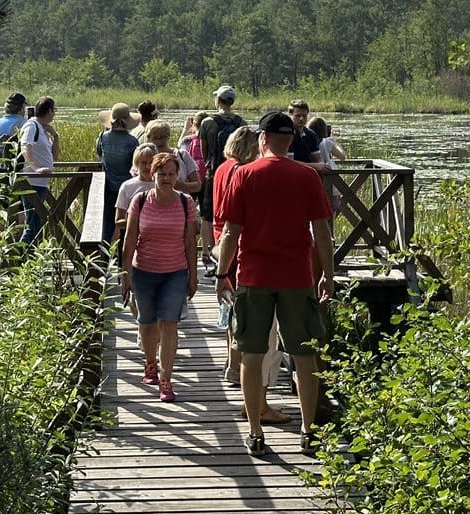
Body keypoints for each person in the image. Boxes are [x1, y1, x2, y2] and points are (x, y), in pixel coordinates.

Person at [215, 111, 334, 456]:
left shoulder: (244, 174)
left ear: (263, 139)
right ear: (290, 141)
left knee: (252, 354)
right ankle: (308, 431)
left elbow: (231, 232)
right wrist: (327, 273)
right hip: (297, 277)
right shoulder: (307, 176)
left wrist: (223, 273)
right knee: (304, 355)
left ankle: (255, 432)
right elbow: (322, 231)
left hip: (254, 276)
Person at [212, 125, 290, 425]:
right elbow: (239, 221)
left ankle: (236, 374)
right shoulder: (242, 172)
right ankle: (259, 404)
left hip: (223, 246)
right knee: (261, 337)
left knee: (238, 320)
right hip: (242, 254)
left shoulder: (222, 168)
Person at [120, 151, 199, 403]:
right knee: (146, 321)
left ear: (177, 176)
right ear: (152, 174)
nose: (166, 178)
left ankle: (166, 379)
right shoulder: (140, 200)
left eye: (171, 174)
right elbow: (129, 239)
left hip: (175, 271)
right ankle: (150, 363)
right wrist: (125, 275)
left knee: (169, 324)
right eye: (161, 174)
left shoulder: (186, 202)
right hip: (143, 270)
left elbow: (190, 242)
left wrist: (193, 275)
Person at [199, 85, 245, 263]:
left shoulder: (207, 122)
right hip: (235, 172)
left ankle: (208, 252)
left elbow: (204, 153)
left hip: (214, 172)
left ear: (218, 100)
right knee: (233, 213)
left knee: (207, 214)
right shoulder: (241, 123)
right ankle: (230, 251)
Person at [96, 103, 139, 243]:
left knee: (108, 221)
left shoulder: (103, 137)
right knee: (127, 222)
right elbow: (135, 164)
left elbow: (99, 153)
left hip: (107, 187)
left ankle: (105, 255)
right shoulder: (133, 141)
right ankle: (123, 256)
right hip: (128, 188)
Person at [19, 96, 59, 245]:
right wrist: (36, 168)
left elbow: (53, 157)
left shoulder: (42, 129)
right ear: (49, 111)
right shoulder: (32, 126)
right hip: (31, 183)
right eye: (54, 110)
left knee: (36, 224)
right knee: (32, 226)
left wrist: (55, 136)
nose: (54, 113)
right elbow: (25, 146)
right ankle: (12, 262)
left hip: (41, 183)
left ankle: (25, 261)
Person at [113, 143, 157, 250]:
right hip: (132, 240)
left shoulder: (163, 185)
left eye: (151, 162)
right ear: (136, 163)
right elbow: (118, 220)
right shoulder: (127, 186)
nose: (147, 167)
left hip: (158, 241)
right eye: (143, 163)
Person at [145, 119, 202, 195]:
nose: (159, 141)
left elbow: (198, 185)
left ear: (168, 137)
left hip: (179, 202)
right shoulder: (145, 157)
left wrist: (182, 186)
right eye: (155, 138)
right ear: (149, 138)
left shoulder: (182, 155)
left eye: (162, 137)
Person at [287, 99, 328, 172]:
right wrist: (315, 166)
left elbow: (317, 158)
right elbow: (289, 162)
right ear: (290, 115)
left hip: (308, 174)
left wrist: (322, 164)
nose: (301, 119)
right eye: (298, 116)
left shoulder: (311, 134)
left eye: (304, 116)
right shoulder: (286, 134)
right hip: (291, 174)